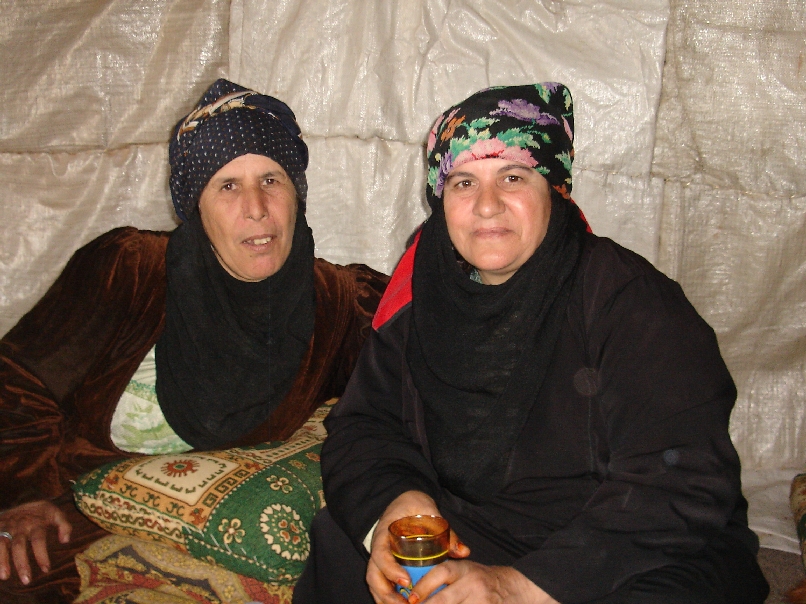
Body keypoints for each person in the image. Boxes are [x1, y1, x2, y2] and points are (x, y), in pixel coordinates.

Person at [293, 83, 770, 603]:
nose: (487, 206)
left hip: (623, 546)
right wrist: (398, 503)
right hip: (480, 529)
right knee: (347, 545)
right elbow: (365, 424)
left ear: (555, 189)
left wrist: (520, 587)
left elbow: (682, 482)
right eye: (463, 183)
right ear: (440, 198)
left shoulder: (632, 302)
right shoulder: (422, 291)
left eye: (513, 177)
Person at [0, 78, 388, 602]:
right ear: (194, 206)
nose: (256, 208)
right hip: (72, 514)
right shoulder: (129, 270)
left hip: (219, 548)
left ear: (296, 193)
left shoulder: (339, 304)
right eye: (227, 186)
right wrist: (23, 494)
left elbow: (416, 359)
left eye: (271, 179)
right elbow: (18, 380)